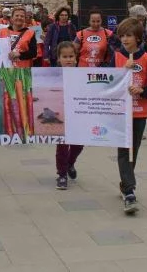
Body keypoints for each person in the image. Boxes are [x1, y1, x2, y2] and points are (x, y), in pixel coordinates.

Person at [106, 18, 147, 214]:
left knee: (133, 151)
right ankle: (129, 191)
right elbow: (108, 83)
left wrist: (142, 90)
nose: (124, 39)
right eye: (122, 36)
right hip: (120, 112)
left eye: (128, 35)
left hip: (139, 112)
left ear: (137, 38)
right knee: (123, 151)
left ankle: (125, 183)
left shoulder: (146, 58)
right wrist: (123, 72)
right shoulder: (116, 57)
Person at [53, 41, 83, 190]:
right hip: (61, 115)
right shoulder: (54, 75)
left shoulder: (83, 75)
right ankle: (62, 174)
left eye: (71, 56)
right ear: (59, 59)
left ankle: (70, 163)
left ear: (76, 58)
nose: (68, 59)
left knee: (78, 144)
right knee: (62, 146)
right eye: (65, 57)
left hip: (78, 115)